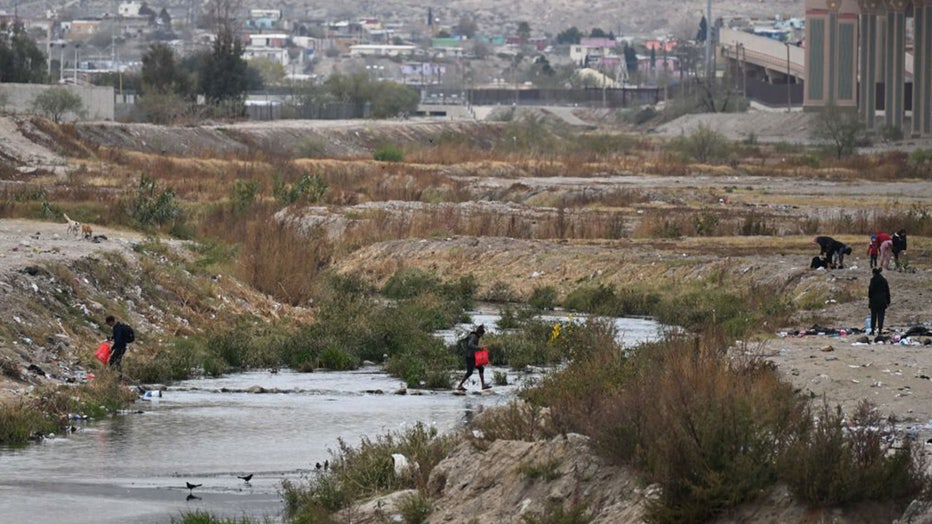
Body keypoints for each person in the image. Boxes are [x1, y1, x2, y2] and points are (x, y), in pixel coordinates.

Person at [456, 324, 491, 392]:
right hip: (469, 357)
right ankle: (459, 386)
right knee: (469, 372)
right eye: (481, 335)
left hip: (472, 356)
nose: (481, 336)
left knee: (481, 368)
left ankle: (483, 385)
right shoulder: (474, 336)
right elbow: (470, 344)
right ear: (480, 333)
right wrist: (479, 348)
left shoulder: (473, 335)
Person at [867, 268, 891, 337]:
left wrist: (870, 299)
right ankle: (880, 330)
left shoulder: (873, 280)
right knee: (881, 316)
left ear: (874, 273)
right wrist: (888, 301)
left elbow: (870, 292)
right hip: (882, 301)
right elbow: (887, 291)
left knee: (873, 316)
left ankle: (872, 330)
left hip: (874, 301)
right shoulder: (884, 280)